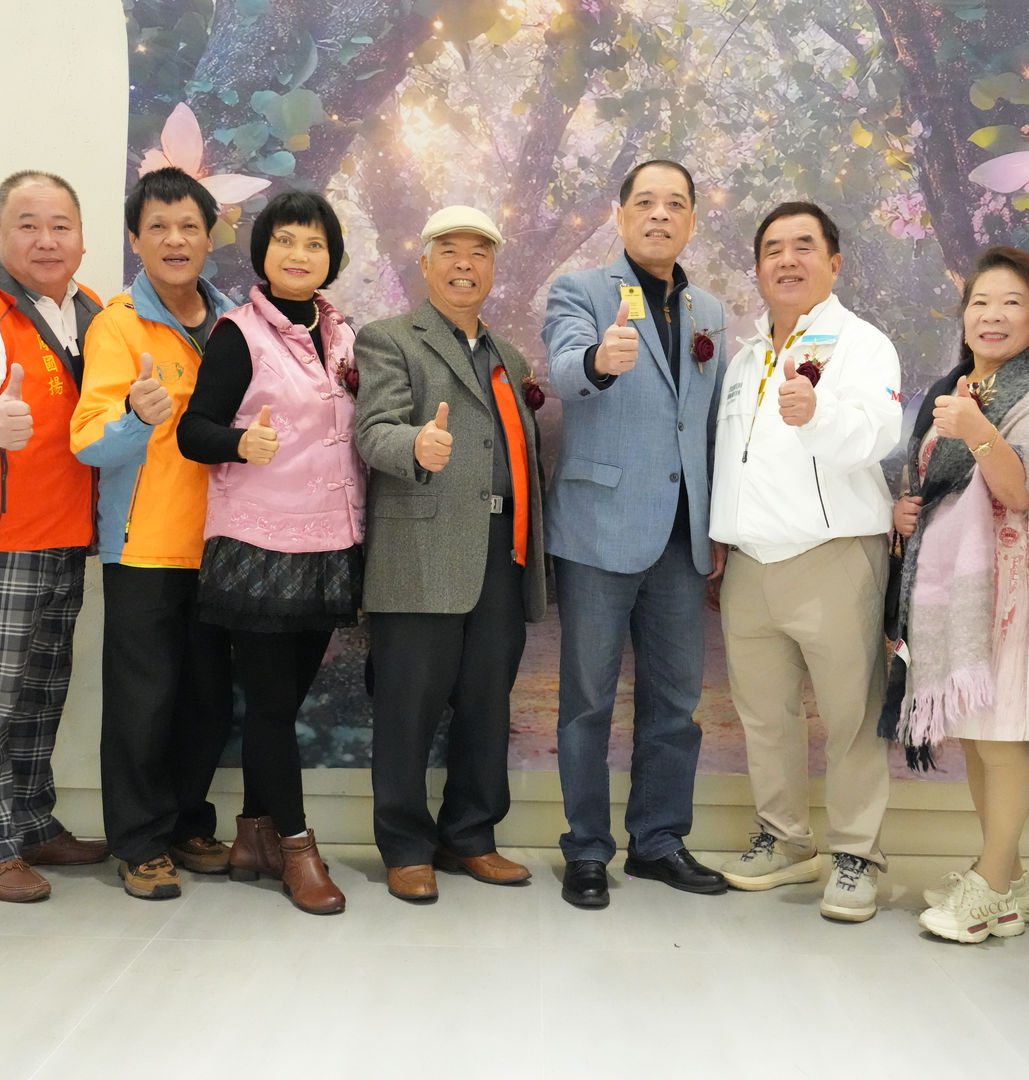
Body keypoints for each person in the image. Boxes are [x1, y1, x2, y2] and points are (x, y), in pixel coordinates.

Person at [708, 202, 903, 922]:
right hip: (749, 564)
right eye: (773, 250)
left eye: (803, 247)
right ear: (758, 268)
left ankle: (857, 854)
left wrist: (816, 413)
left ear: (834, 262)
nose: (787, 260)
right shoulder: (744, 357)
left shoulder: (862, 344)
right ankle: (785, 839)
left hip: (834, 557)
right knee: (765, 716)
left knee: (853, 717)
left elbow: (880, 432)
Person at [541, 160, 728, 909]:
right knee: (587, 700)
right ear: (619, 217)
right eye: (644, 203)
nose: (659, 215)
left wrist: (721, 524)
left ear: (691, 221)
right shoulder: (581, 291)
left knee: (677, 702)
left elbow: (708, 424)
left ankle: (658, 841)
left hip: (684, 537)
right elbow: (564, 370)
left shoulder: (710, 310)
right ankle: (587, 850)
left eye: (675, 204)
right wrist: (598, 360)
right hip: (598, 528)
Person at [176, 190, 361, 916]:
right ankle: (297, 848)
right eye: (285, 240)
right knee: (273, 707)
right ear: (263, 253)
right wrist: (238, 442)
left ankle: (254, 833)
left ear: (331, 257)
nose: (298, 254)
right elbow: (193, 430)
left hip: (330, 541)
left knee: (284, 701)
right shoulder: (238, 334)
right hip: (259, 546)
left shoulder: (343, 334)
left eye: (313, 243)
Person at [354, 206, 547, 902]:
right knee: (407, 705)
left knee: (486, 703)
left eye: (480, 253)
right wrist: (415, 445)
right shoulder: (388, 339)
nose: (465, 264)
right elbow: (372, 430)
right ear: (426, 263)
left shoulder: (509, 356)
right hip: (421, 550)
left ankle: (471, 835)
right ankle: (405, 847)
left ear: (493, 267)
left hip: (501, 551)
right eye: (451, 251)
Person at [0, 171, 109, 903]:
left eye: (60, 225)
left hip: (64, 534)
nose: (46, 240)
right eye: (27, 225)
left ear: (81, 237)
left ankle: (31, 822)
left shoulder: (91, 309)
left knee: (40, 695)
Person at [888, 247, 1029, 942]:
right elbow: (935, 482)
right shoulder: (962, 385)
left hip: (1003, 588)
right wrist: (908, 509)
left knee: (1000, 740)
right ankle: (1009, 881)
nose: (992, 316)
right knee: (975, 737)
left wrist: (977, 430)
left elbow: (1020, 490)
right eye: (980, 303)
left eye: (1012, 303)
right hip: (956, 586)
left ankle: (990, 885)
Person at [73, 168, 241, 900]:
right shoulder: (117, 325)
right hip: (145, 543)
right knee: (143, 702)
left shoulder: (237, 322)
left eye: (189, 226)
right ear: (135, 240)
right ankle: (139, 842)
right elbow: (88, 442)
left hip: (226, 542)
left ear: (211, 235)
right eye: (158, 227)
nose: (175, 240)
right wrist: (137, 417)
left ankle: (187, 823)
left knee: (207, 699)